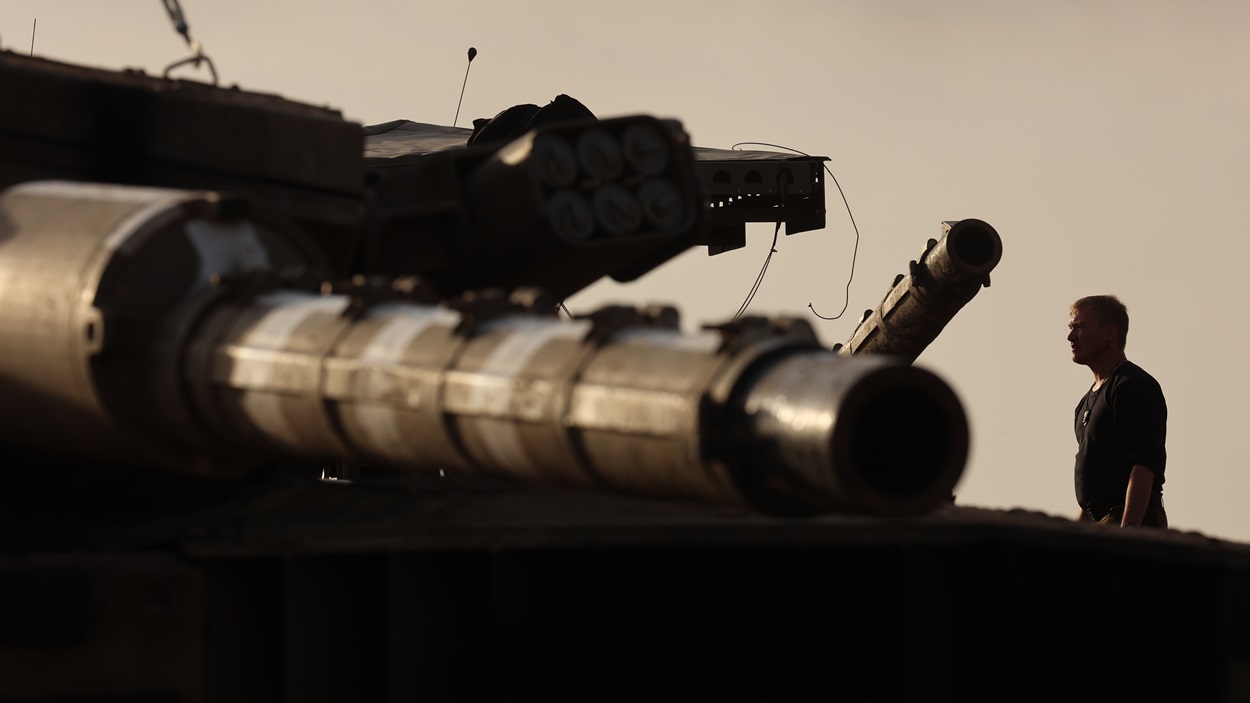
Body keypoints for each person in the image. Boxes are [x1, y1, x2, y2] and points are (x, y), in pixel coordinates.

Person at [1067, 295, 1168, 528]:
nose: (1071, 337)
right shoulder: (1085, 403)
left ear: (1110, 333)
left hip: (1125, 520)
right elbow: (1091, 488)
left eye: (1080, 327)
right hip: (1101, 523)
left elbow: (1144, 464)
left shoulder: (1132, 385)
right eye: (1071, 328)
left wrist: (1128, 534)